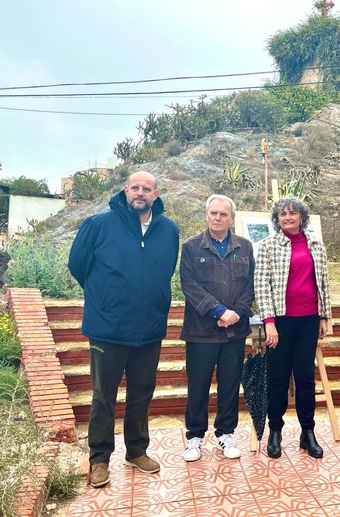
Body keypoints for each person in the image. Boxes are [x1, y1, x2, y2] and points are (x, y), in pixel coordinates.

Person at [68, 171, 179, 488]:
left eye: (147, 188)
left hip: (150, 329)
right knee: (104, 396)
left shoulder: (168, 229)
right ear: (125, 190)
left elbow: (165, 270)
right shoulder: (99, 224)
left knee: (142, 393)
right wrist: (104, 298)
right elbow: (78, 264)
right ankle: (99, 459)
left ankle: (136, 451)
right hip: (108, 329)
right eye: (135, 187)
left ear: (156, 194)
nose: (140, 192)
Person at [254, 197, 331, 459]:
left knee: (305, 379)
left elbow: (323, 282)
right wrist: (269, 322)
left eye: (293, 213)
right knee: (277, 379)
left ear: (302, 217)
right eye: (283, 214)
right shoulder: (267, 246)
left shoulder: (316, 245)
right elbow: (262, 284)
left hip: (308, 320)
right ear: (277, 219)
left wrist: (324, 316)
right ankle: (275, 431)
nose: (288, 217)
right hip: (281, 322)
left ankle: (307, 432)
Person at [179, 195, 255, 462]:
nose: (218, 218)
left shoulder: (245, 247)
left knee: (230, 384)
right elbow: (189, 285)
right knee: (198, 385)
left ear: (232, 218)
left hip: (234, 331)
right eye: (213, 213)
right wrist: (219, 311)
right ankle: (195, 437)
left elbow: (250, 285)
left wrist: (235, 314)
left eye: (223, 214)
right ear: (206, 215)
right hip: (200, 331)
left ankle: (225, 433)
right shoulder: (191, 247)